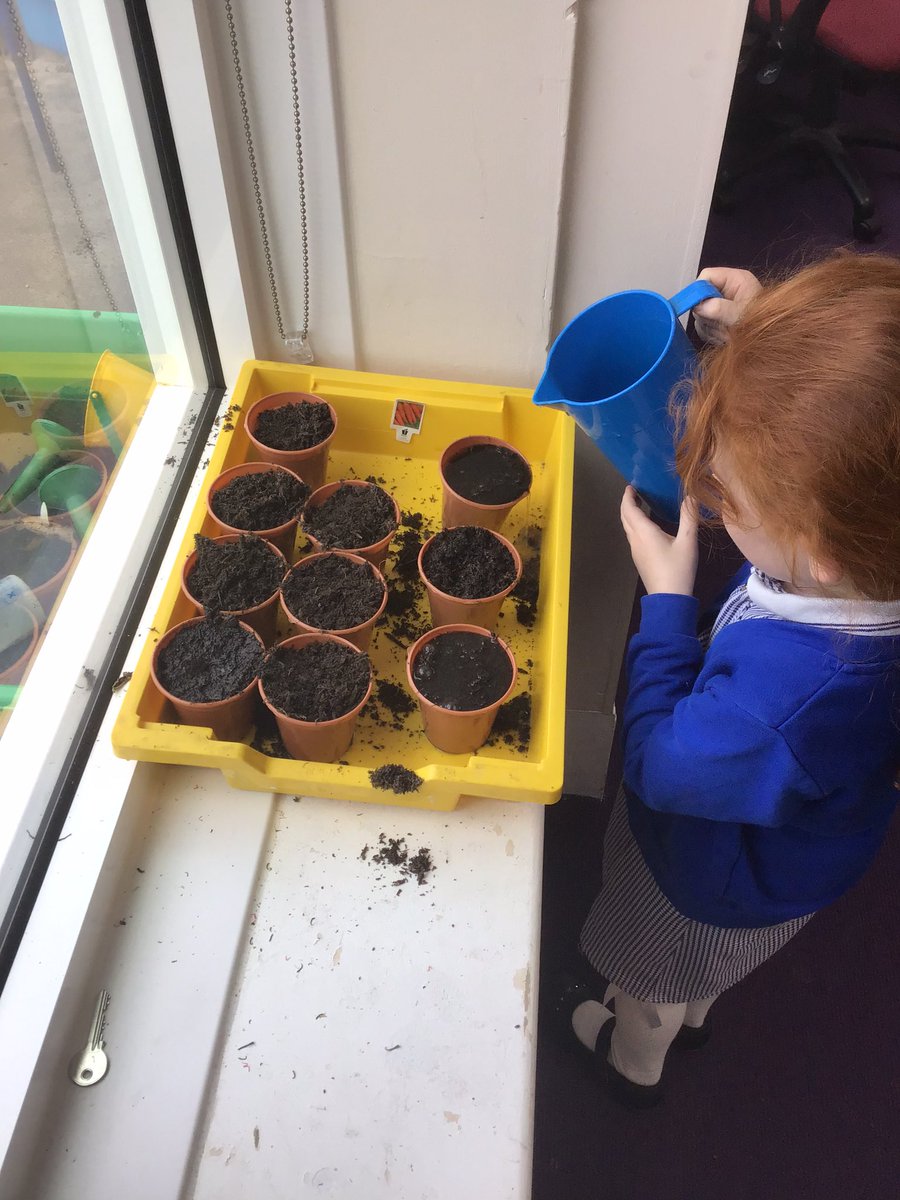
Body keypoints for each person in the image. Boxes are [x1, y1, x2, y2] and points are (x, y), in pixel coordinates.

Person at [560, 253, 900, 1108]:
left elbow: (660, 765)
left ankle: (636, 1060)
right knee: (710, 969)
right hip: (788, 857)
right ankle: (697, 1007)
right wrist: (770, 345)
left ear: (819, 556)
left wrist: (668, 603)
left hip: (702, 878)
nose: (708, 493)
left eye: (726, 494)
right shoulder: (867, 558)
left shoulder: (789, 702)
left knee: (655, 980)